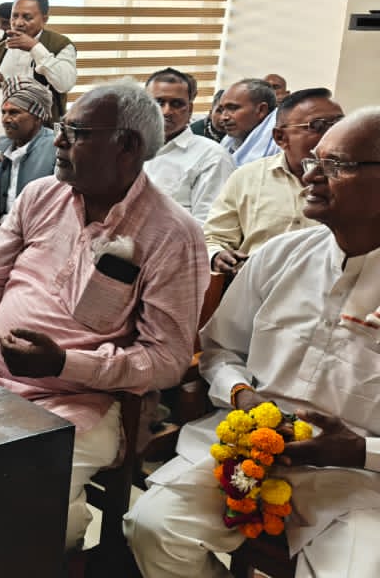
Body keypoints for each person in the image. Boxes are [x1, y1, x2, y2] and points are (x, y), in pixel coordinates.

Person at [125, 108, 380, 578]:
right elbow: (220, 349)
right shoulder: (281, 254)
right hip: (246, 448)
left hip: (356, 477)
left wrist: (359, 451)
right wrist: (242, 394)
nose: (311, 176)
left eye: (336, 166)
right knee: (154, 527)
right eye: (313, 161)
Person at [0, 81, 207, 551]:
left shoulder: (173, 234)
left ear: (127, 146)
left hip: (80, 404)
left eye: (76, 132)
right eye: (61, 128)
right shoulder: (40, 195)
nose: (58, 141)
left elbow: (168, 360)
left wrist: (64, 364)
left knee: (10, 506)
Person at [204, 88, 345, 277]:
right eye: (318, 126)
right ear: (280, 137)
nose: (333, 134)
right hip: (258, 284)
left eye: (339, 125)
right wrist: (217, 256)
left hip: (333, 286)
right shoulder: (246, 177)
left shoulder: (357, 180)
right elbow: (214, 237)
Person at [0, 0, 77, 147]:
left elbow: (65, 83)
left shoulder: (60, 45)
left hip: (40, 139)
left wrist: (35, 48)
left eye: (27, 17)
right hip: (0, 133)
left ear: (44, 19)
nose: (18, 23)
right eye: (14, 16)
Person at [143, 68, 236, 223]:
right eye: (159, 102)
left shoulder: (212, 156)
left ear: (190, 110)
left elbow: (208, 224)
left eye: (176, 104)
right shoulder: (125, 149)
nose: (166, 111)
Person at [0, 76, 56, 217]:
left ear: (37, 117)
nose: (5, 120)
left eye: (14, 112)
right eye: (4, 112)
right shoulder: (2, 145)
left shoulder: (56, 148)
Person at [217, 78, 280, 166]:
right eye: (221, 110)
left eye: (232, 108)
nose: (223, 117)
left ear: (261, 110)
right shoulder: (228, 141)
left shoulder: (282, 144)